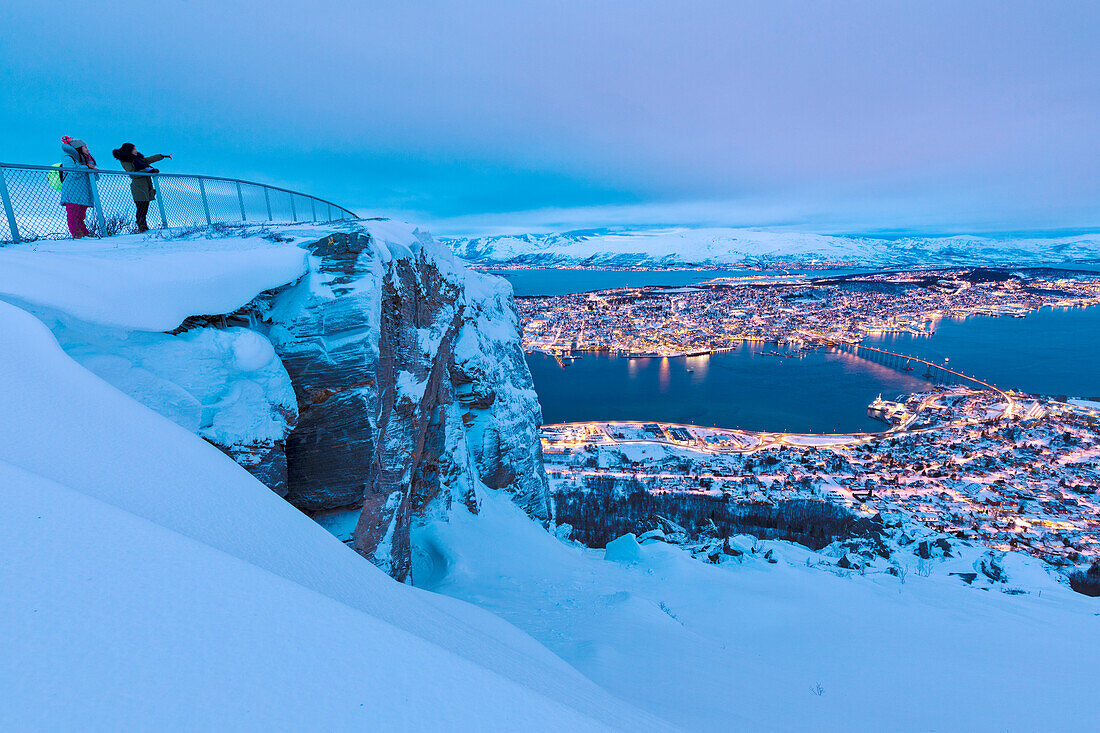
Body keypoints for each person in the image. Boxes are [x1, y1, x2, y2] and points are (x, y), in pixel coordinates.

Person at [112, 143, 171, 232]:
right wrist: (147, 170)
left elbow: (148, 160)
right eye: (134, 149)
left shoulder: (138, 159)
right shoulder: (126, 161)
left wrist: (161, 156)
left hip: (146, 186)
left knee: (144, 208)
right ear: (129, 150)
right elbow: (133, 174)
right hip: (138, 187)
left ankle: (143, 227)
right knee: (141, 208)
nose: (136, 150)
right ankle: (142, 227)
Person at [59, 135, 98, 238]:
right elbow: (72, 171)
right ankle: (77, 236)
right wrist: (87, 167)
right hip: (72, 191)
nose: (87, 149)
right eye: (85, 147)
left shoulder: (84, 160)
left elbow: (95, 177)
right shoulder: (68, 157)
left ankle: (85, 235)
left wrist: (90, 165)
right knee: (73, 215)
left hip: (83, 192)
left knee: (80, 216)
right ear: (78, 148)